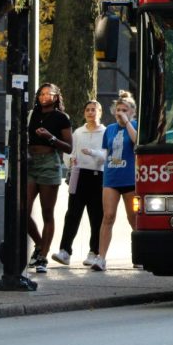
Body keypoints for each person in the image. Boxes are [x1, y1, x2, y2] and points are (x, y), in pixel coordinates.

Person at [51, 99, 106, 268]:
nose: (91, 113)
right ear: (84, 113)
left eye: (94, 110)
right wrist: (70, 161)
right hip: (79, 174)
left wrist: (93, 153)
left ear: (100, 112)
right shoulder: (78, 133)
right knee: (72, 214)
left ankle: (94, 251)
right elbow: (69, 151)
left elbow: (106, 155)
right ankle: (65, 250)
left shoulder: (105, 132)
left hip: (98, 176)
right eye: (88, 110)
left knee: (96, 216)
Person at [26, 83, 73, 273]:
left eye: (49, 94)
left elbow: (69, 147)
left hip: (49, 163)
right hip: (31, 163)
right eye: (41, 93)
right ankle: (39, 244)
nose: (44, 96)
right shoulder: (32, 115)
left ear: (56, 97)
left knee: (47, 212)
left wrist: (50, 137)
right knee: (23, 210)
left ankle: (43, 257)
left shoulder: (61, 118)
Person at [91, 90, 138, 272]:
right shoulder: (109, 129)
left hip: (129, 178)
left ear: (132, 112)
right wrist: (94, 155)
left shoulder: (134, 125)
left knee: (133, 218)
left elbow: (137, 142)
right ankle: (101, 258)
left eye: (124, 110)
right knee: (108, 216)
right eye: (118, 109)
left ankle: (138, 255)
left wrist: (127, 123)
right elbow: (106, 151)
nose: (120, 113)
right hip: (111, 177)